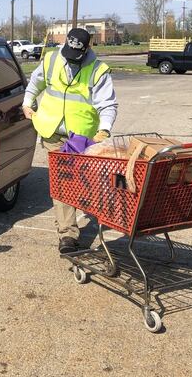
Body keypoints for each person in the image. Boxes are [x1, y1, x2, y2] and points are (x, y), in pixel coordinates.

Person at [22, 28, 118, 254]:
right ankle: (67, 235)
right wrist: (27, 102)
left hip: (82, 138)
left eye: (76, 56)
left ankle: (83, 211)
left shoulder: (98, 70)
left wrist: (104, 129)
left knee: (82, 182)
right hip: (53, 132)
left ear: (87, 49)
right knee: (63, 181)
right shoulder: (52, 59)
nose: (71, 59)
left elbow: (108, 104)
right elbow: (36, 82)